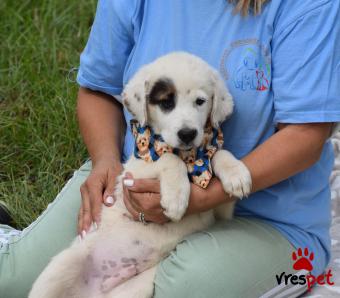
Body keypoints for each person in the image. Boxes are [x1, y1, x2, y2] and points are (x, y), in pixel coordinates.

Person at [1, 0, 339, 297]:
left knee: (183, 288)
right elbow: (99, 89)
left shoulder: (308, 5)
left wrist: (203, 198)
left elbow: (306, 134)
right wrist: (105, 160)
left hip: (266, 218)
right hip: (135, 179)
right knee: (16, 281)